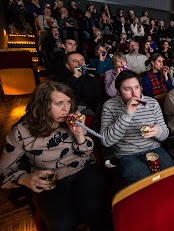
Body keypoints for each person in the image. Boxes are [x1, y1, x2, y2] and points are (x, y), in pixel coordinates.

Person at [0, 82, 110, 231]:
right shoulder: (21, 132)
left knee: (98, 213)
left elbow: (87, 152)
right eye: (59, 103)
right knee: (62, 224)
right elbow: (3, 171)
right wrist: (25, 178)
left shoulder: (71, 121)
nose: (66, 109)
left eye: (68, 102)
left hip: (82, 170)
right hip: (50, 179)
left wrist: (79, 134)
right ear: (42, 105)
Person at [100, 70, 174, 185]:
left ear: (141, 87)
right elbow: (106, 141)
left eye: (136, 87)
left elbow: (164, 134)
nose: (134, 94)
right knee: (144, 183)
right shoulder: (109, 106)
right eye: (127, 89)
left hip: (154, 149)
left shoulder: (152, 103)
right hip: (127, 154)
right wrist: (127, 114)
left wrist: (158, 131)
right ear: (119, 92)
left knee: (172, 177)